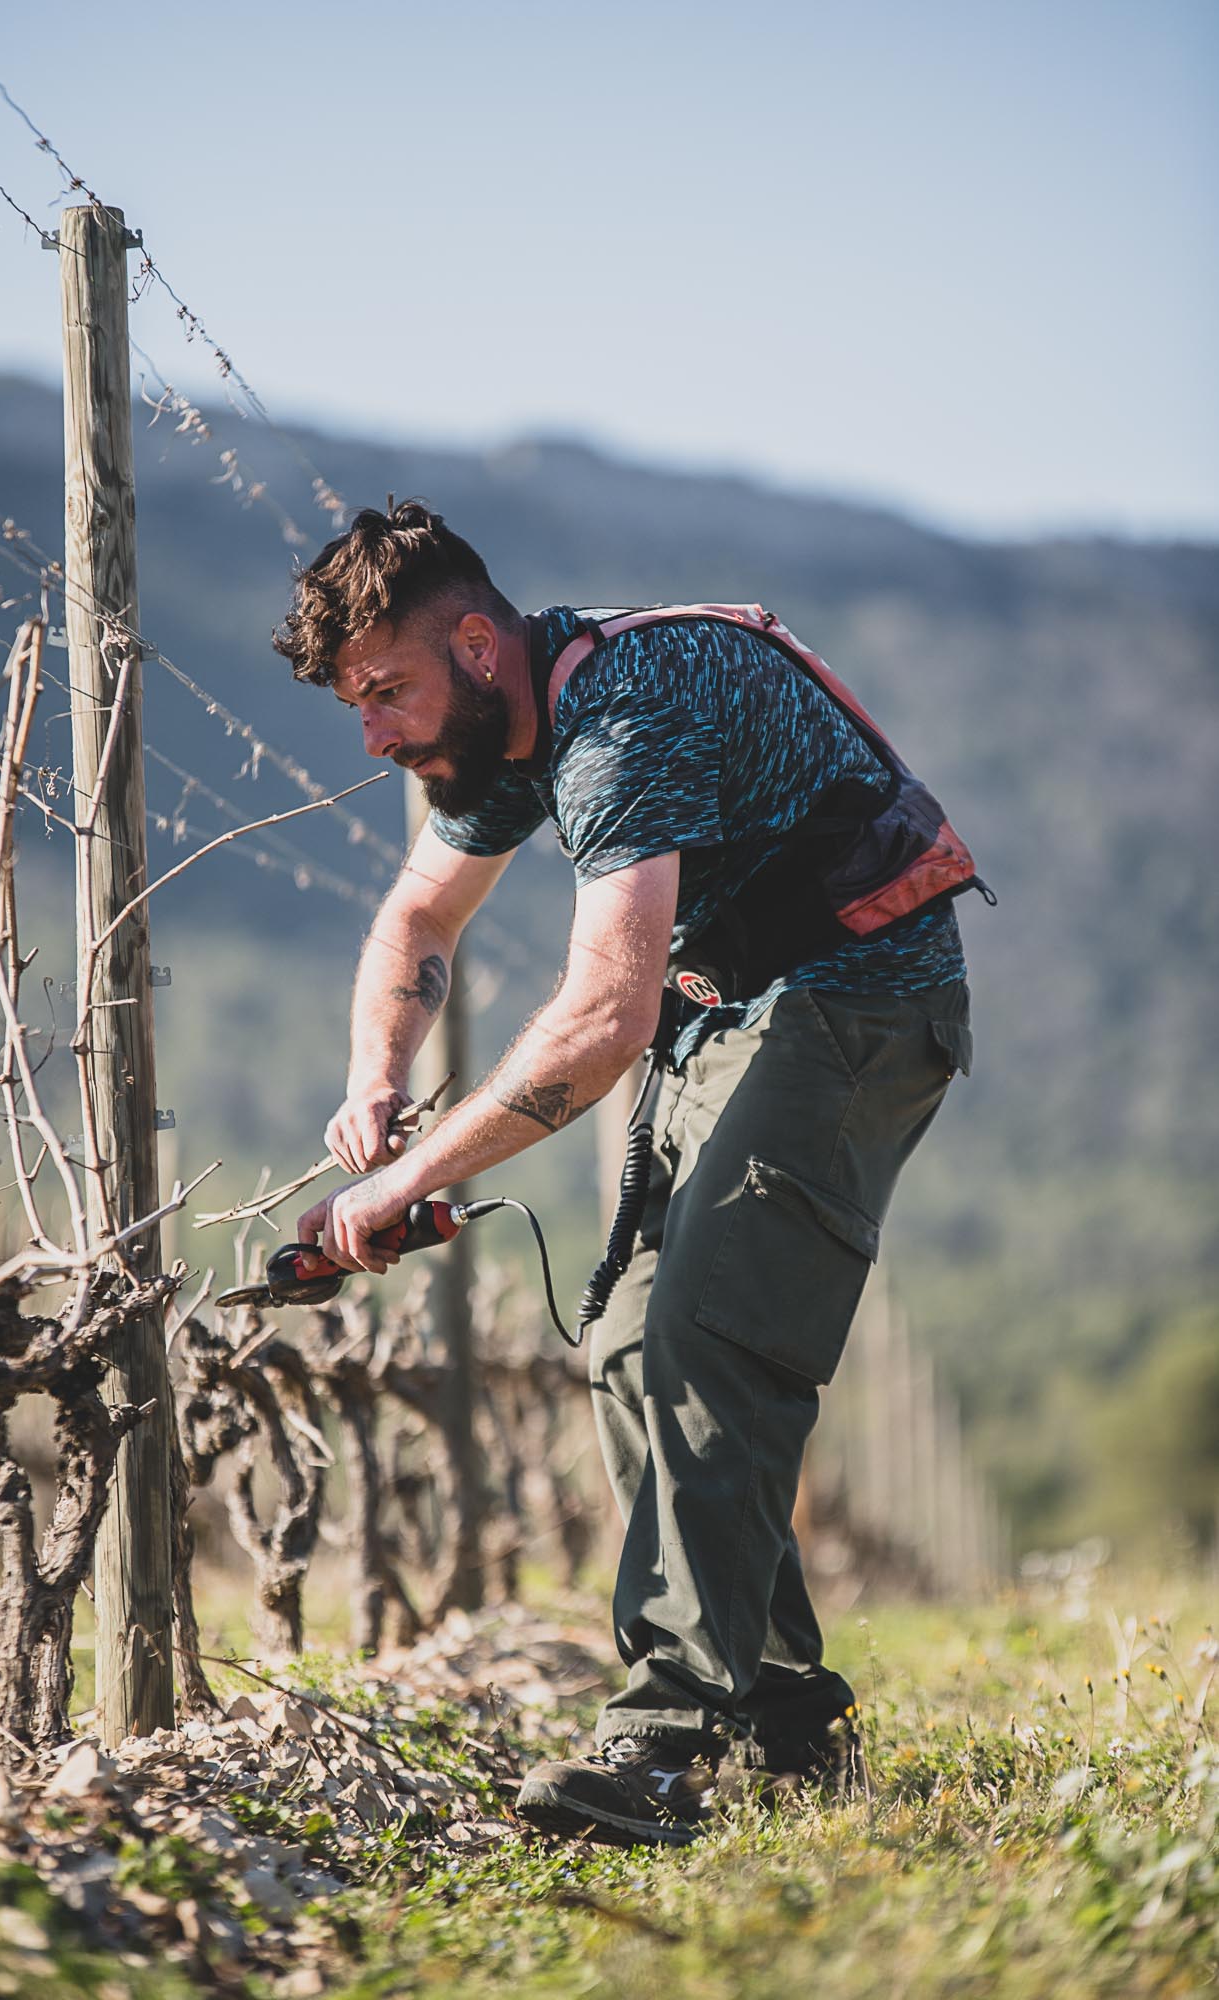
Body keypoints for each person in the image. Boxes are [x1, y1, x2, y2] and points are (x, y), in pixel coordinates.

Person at [273, 501, 979, 1847]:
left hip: (861, 994)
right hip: (736, 1010)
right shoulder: (495, 726)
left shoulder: (624, 718)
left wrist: (404, 1177)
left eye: (385, 692)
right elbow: (416, 916)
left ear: (476, 645)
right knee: (621, 1343)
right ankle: (779, 1717)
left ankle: (663, 1738)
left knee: (706, 1343)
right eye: (356, 705)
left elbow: (601, 1021)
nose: (373, 734)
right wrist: (377, 1082)